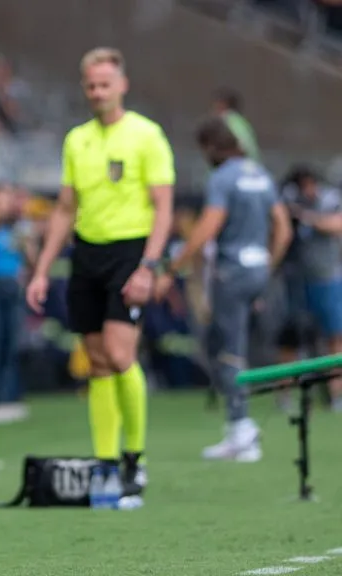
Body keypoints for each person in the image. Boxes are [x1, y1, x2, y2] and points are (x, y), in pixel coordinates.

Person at [25, 47, 175, 498]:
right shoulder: (77, 140)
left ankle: (136, 458)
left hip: (131, 252)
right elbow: (65, 208)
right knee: (97, 362)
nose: (97, 91)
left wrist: (149, 266)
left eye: (105, 83)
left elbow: (164, 208)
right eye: (91, 85)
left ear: (122, 85)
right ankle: (106, 463)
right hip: (87, 254)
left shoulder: (147, 135)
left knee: (119, 352)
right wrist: (41, 270)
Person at [155, 118, 291, 461]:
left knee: (226, 351)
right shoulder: (261, 175)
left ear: (211, 148)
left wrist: (172, 269)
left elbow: (207, 228)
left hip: (231, 272)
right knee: (238, 345)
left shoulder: (222, 178)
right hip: (258, 268)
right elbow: (283, 228)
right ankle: (240, 427)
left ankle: (241, 428)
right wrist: (267, 264)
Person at [280, 165, 342, 411]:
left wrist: (306, 216)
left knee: (334, 337)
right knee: (291, 338)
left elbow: (336, 224)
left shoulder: (329, 200)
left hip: (326, 279)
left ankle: (336, 395)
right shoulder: (288, 201)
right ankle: (285, 395)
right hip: (296, 281)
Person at [0, 183, 35, 403]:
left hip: (13, 286)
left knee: (11, 342)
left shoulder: (20, 226)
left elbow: (32, 260)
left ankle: (8, 394)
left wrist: (27, 244)